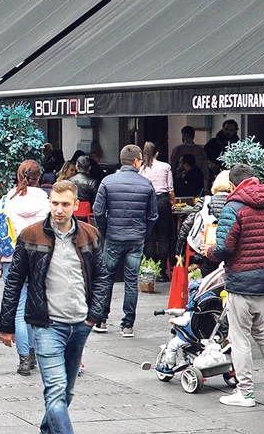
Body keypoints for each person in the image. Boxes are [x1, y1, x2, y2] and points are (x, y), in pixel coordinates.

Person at [0, 180, 112, 434]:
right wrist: (7, 324)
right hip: (47, 324)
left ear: (76, 206)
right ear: (49, 203)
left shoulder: (90, 235)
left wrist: (94, 317)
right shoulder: (31, 235)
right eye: (54, 203)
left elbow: (102, 277)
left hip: (80, 324)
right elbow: (14, 282)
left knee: (67, 391)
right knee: (57, 389)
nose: (59, 210)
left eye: (65, 204)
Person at [203, 163, 264, 407]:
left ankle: (246, 392)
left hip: (242, 281)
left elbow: (224, 248)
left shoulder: (234, 208)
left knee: (239, 338)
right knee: (263, 332)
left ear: (232, 185)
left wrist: (208, 251)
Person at [0, 160, 49, 375]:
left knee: (19, 308)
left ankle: (24, 359)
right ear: (39, 177)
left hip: (10, 258)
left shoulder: (6, 201)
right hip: (40, 260)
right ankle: (34, 353)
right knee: (35, 308)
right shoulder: (48, 202)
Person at [92, 145, 157, 337]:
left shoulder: (107, 182)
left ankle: (102, 319)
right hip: (136, 238)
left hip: (113, 237)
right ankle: (127, 324)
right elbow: (153, 215)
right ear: (136, 161)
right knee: (131, 281)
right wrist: (144, 232)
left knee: (106, 279)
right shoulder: (146, 184)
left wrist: (105, 231)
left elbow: (98, 211)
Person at [176, 171, 231, 275]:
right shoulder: (237, 202)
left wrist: (180, 251)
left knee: (207, 283)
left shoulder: (206, 201)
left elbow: (186, 225)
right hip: (230, 251)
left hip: (206, 251)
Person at [139, 141, 175, 281]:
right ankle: (162, 272)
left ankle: (150, 270)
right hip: (162, 201)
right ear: (157, 153)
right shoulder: (165, 167)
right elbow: (170, 189)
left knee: (150, 238)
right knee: (163, 238)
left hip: (147, 202)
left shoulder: (141, 169)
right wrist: (173, 201)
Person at [170, 126, 209, 191]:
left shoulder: (177, 150)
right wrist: (205, 188)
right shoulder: (200, 150)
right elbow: (205, 169)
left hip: (180, 183)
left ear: (183, 135)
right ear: (193, 136)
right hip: (197, 180)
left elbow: (172, 167)